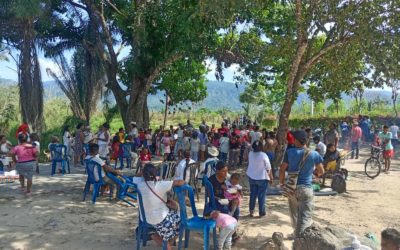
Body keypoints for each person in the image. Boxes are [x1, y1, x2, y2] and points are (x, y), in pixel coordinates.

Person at [279, 130, 324, 237]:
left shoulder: (289, 152)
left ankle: (296, 233)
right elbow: (321, 171)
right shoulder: (314, 154)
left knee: (294, 213)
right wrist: (314, 176)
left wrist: (281, 183)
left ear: (296, 140)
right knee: (305, 216)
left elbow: (282, 169)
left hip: (292, 188)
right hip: (306, 188)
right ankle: (302, 238)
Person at [132, 164, 184, 249]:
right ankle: (168, 241)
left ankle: (159, 237)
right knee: (180, 218)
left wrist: (143, 173)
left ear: (144, 174)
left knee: (170, 210)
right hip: (160, 219)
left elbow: (135, 176)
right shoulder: (161, 184)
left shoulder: (139, 183)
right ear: (156, 173)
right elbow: (180, 182)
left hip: (144, 217)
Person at [247, 140, 273, 217]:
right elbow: (268, 168)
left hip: (251, 177)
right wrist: (271, 177)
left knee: (253, 194)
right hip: (262, 178)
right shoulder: (263, 155)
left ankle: (251, 211)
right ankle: (261, 212)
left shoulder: (250, 153)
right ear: (261, 147)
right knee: (261, 196)